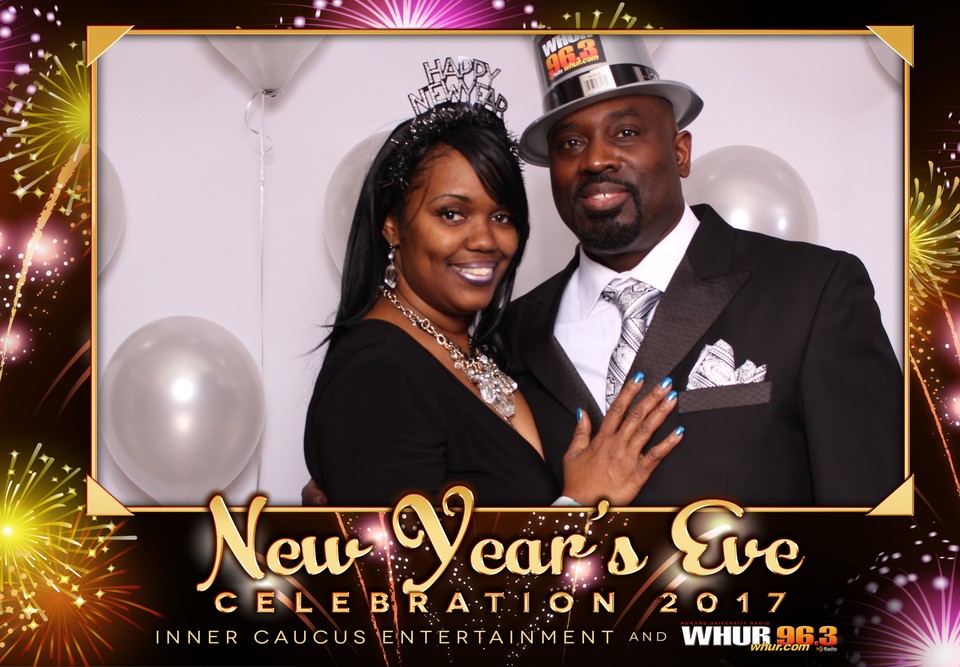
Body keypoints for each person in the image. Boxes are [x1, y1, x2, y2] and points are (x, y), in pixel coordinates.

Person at [501, 34, 904, 507]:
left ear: (681, 153)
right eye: (571, 143)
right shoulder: (510, 335)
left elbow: (879, 514)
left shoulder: (813, 291)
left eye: (626, 132)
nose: (594, 160)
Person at [303, 78, 685, 507]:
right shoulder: (378, 372)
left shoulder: (483, 348)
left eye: (502, 217)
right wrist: (578, 505)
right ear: (392, 225)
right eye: (452, 214)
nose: (485, 240)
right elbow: (400, 553)